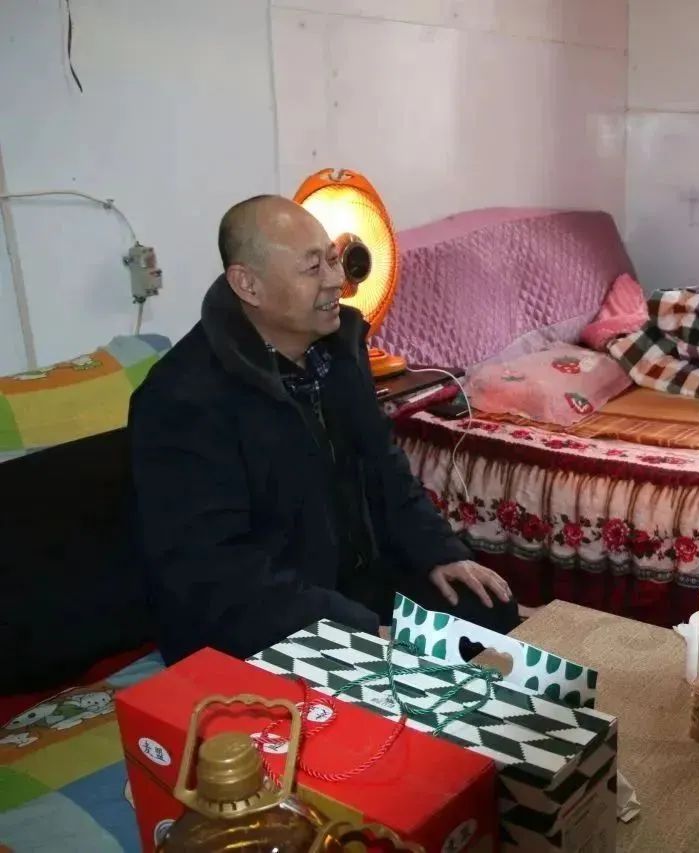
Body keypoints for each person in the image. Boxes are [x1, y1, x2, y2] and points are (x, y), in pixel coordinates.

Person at [130, 195, 518, 665]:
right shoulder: (183, 399)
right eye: (313, 267)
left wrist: (439, 552)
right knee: (424, 665)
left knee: (484, 608)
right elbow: (216, 569)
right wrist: (359, 632)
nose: (337, 280)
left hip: (350, 586)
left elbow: (385, 469)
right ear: (248, 284)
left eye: (333, 259)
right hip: (259, 615)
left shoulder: (339, 351)